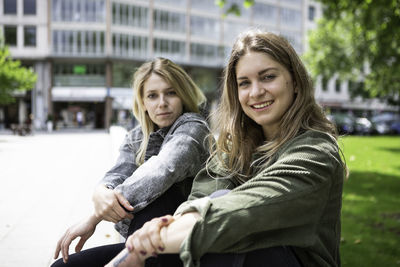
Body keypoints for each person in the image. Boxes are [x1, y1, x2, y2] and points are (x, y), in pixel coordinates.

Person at [106, 30, 346, 267]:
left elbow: (248, 210)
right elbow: (202, 195)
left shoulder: (316, 152)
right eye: (244, 83)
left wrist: (153, 240)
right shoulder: (233, 148)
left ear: (295, 81)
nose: (255, 92)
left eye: (268, 77)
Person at [52, 57, 210, 267]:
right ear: (143, 103)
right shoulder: (137, 136)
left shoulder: (193, 128)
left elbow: (162, 170)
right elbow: (119, 172)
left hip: (181, 246)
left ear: (183, 95)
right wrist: (102, 190)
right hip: (140, 243)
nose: (162, 102)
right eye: (152, 96)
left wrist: (94, 217)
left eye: (171, 93)